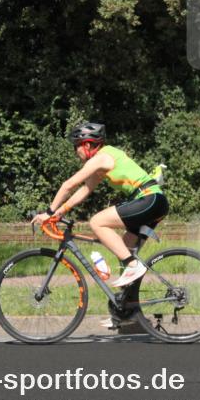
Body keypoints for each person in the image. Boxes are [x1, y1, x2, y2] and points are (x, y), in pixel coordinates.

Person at [31, 122, 168, 292]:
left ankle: (133, 265)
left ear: (87, 145)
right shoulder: (103, 161)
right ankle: (126, 314)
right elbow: (84, 190)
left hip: (149, 199)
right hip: (152, 201)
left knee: (96, 222)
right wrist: (59, 213)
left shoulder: (101, 158)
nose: (75, 152)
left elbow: (69, 185)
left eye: (76, 147)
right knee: (124, 249)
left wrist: (48, 212)